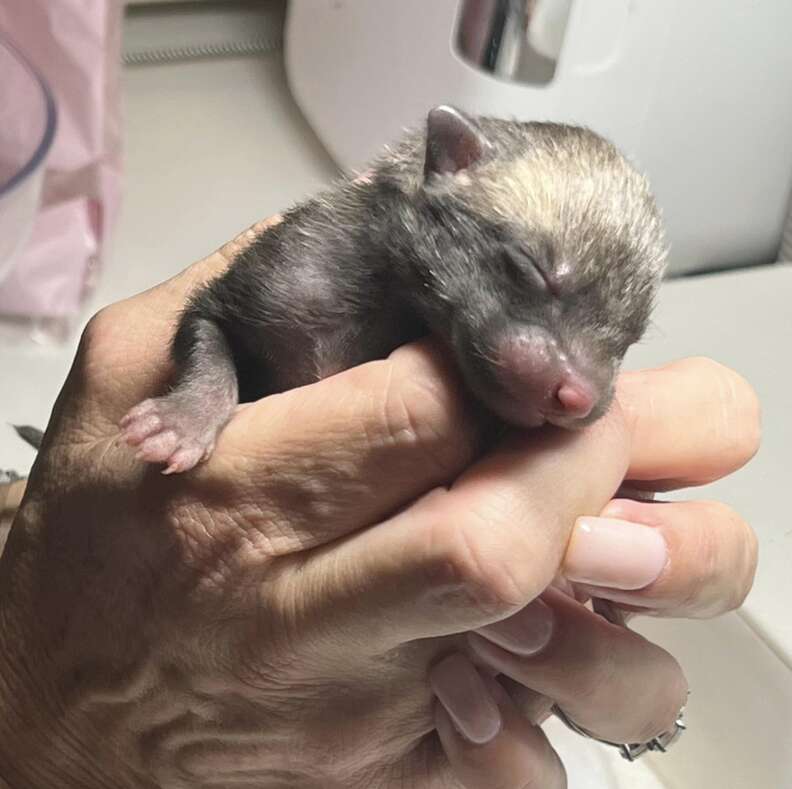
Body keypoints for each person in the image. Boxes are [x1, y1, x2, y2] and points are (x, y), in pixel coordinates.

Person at [0, 217, 760, 789]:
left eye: (615, 346)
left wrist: (602, 662)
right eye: (533, 274)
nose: (579, 388)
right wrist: (38, 726)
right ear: (446, 169)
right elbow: (221, 319)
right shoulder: (340, 258)